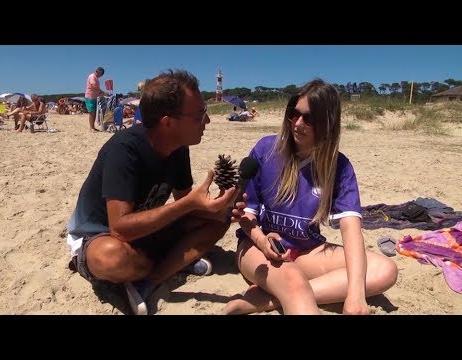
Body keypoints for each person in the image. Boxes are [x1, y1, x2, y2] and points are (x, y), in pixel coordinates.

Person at [66, 69, 247, 315]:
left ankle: (150, 281)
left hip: (145, 230)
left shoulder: (178, 147)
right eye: (200, 114)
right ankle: (172, 262)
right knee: (112, 257)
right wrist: (188, 206)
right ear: (168, 122)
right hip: (101, 235)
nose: (207, 121)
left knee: (220, 221)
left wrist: (218, 207)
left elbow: (184, 201)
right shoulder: (124, 150)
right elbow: (119, 228)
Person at [222, 79, 398, 315]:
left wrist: (355, 296)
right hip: (257, 247)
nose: (298, 123)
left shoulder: (338, 166)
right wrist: (262, 240)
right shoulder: (266, 150)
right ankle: (290, 292)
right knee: (294, 282)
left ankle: (269, 300)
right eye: (294, 114)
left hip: (308, 250)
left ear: (327, 124)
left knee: (384, 269)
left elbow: (350, 227)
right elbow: (246, 214)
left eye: (309, 118)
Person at [84, 66, 108, 132]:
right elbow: (93, 85)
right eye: (101, 74)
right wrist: (102, 92)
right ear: (99, 72)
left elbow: (96, 88)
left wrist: (101, 93)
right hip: (90, 97)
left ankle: (93, 127)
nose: (101, 76)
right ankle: (91, 128)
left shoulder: (96, 78)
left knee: (94, 113)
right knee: (92, 113)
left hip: (94, 97)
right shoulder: (92, 76)